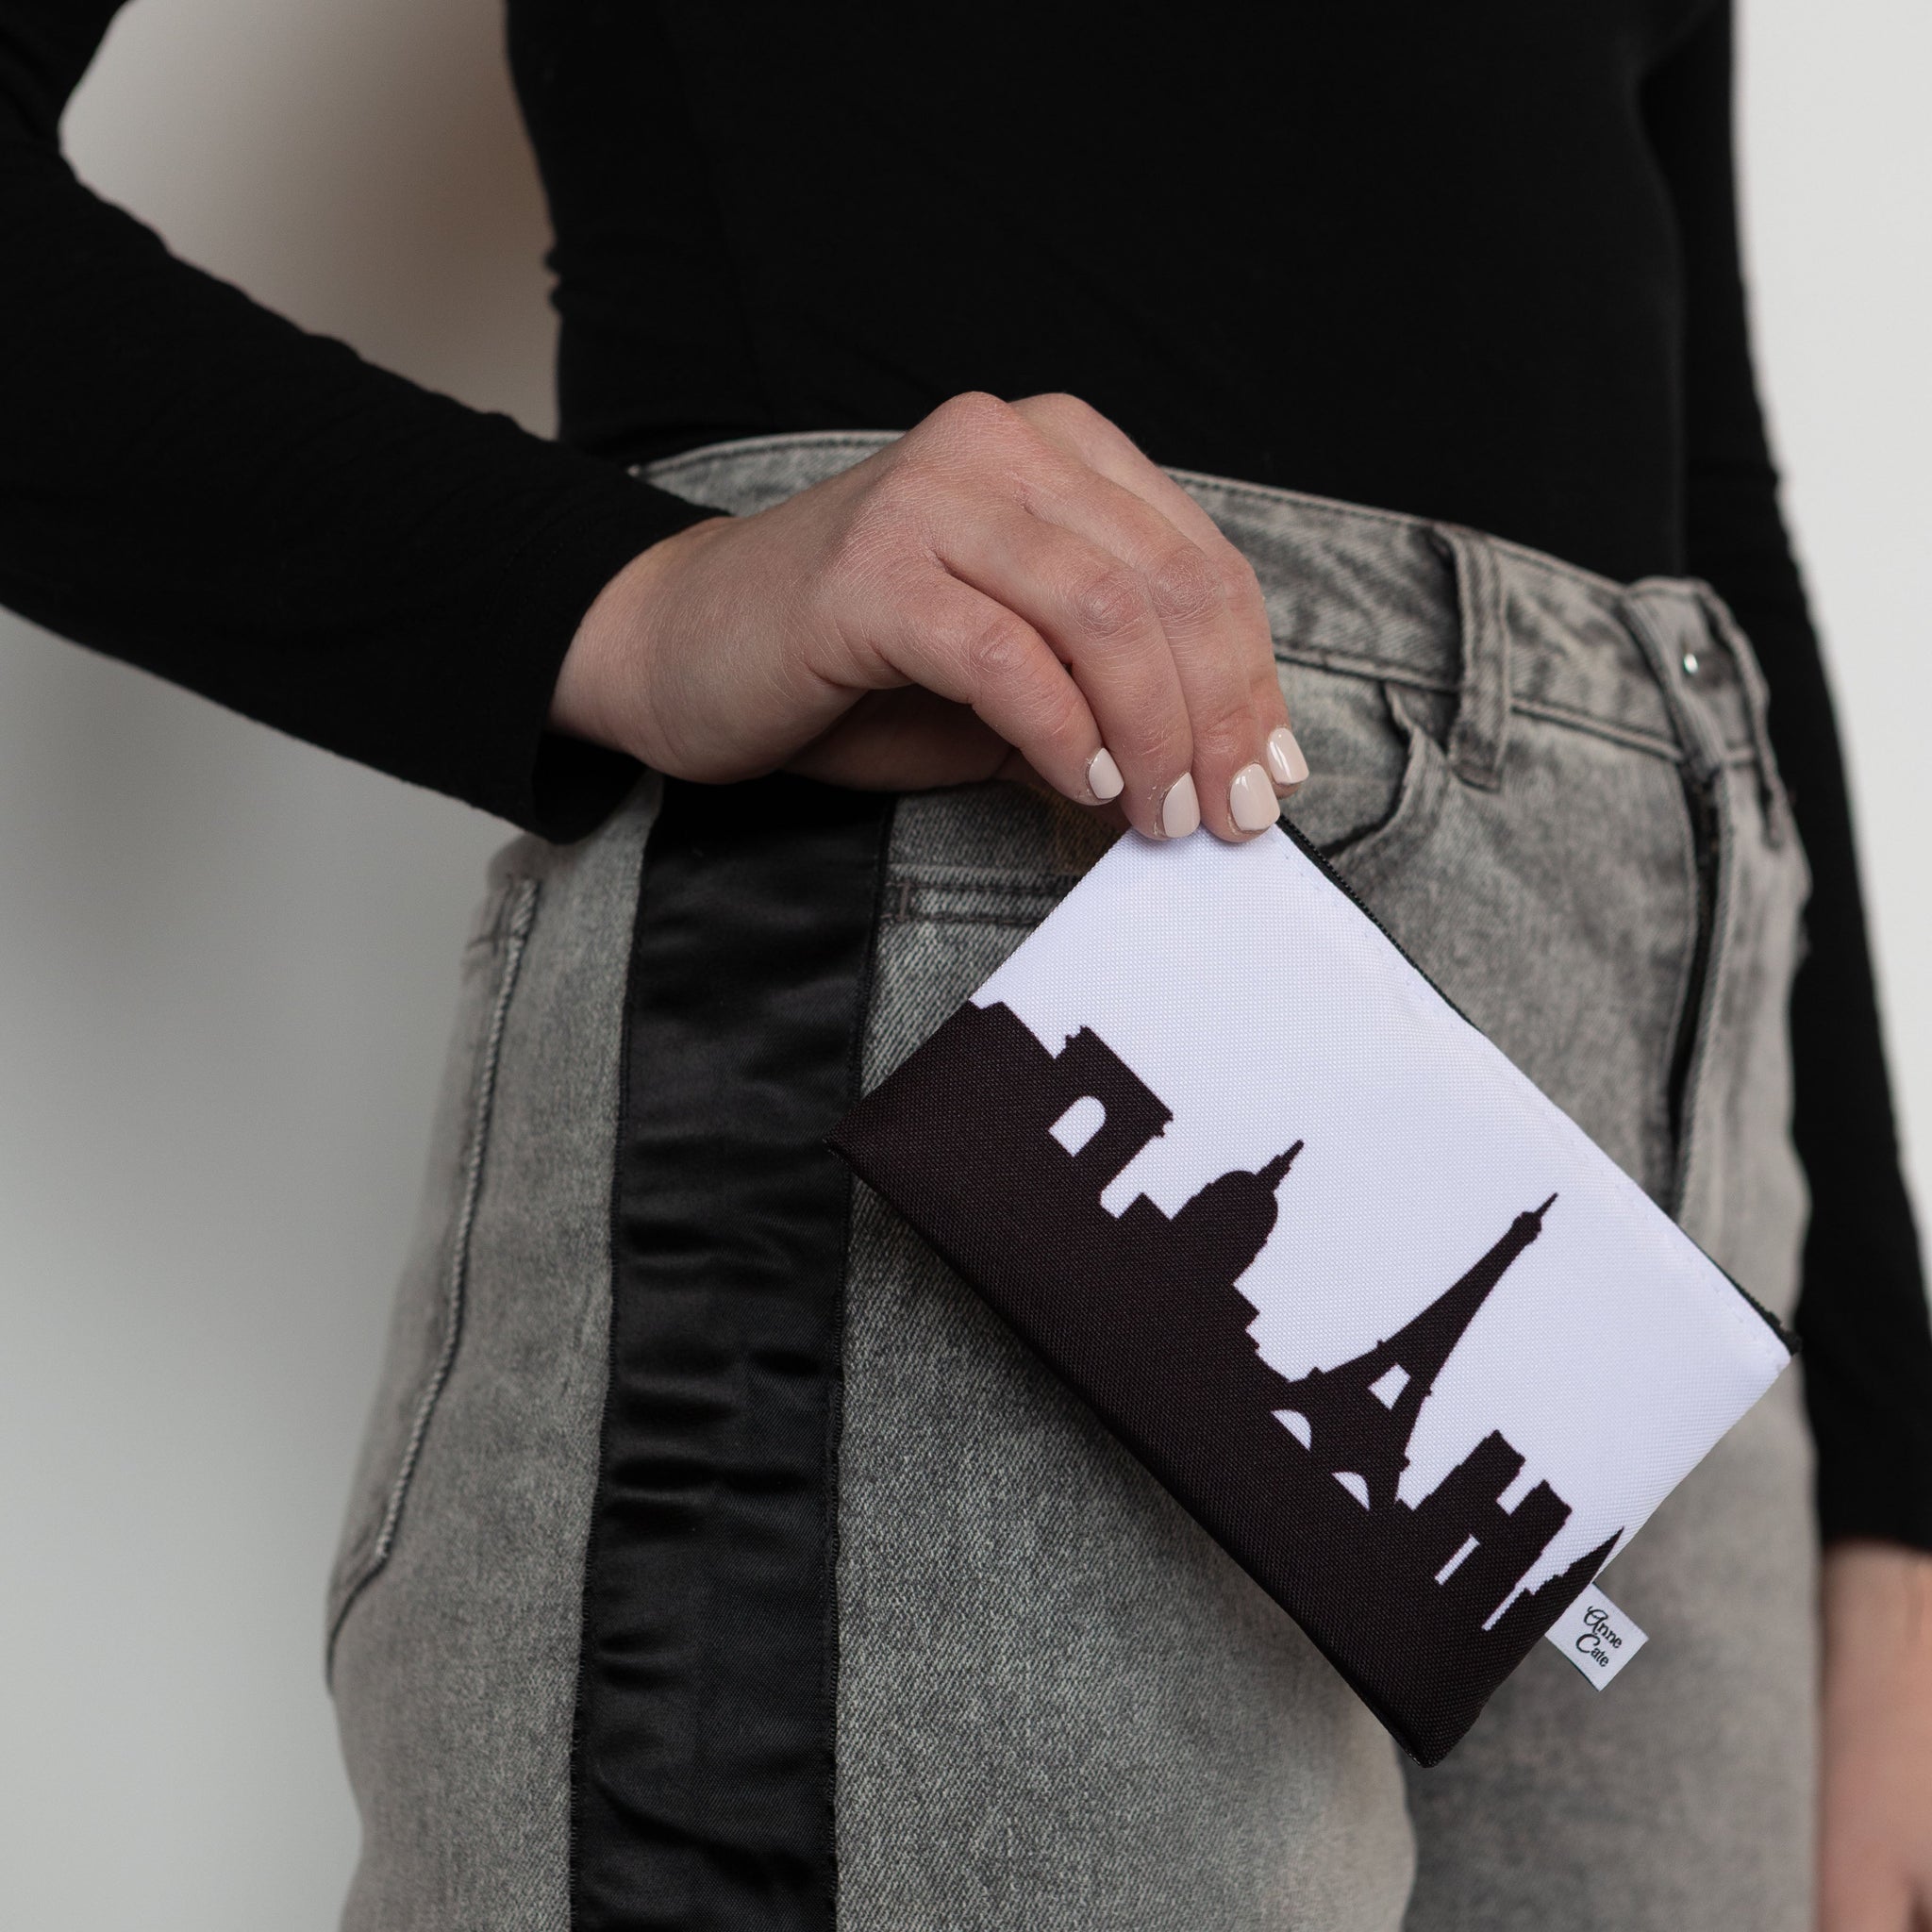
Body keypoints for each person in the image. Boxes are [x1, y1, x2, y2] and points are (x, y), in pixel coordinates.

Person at [4, 2, 1929, 1926]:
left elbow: (1707, 474)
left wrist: (1884, 1506)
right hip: (1003, 887)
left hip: (1650, 1222)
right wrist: (624, 598)